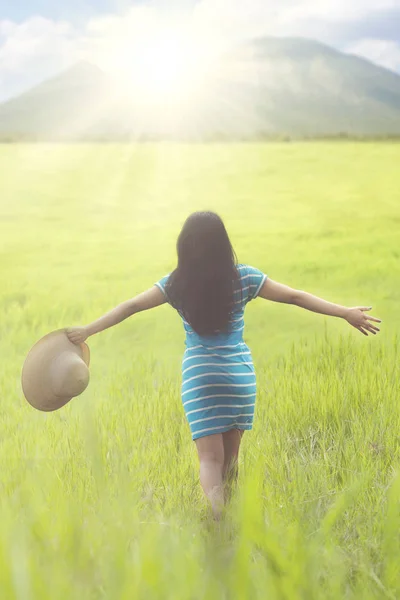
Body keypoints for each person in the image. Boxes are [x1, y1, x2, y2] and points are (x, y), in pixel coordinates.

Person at [66, 211, 381, 519]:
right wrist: (344, 312)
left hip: (200, 377)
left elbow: (131, 306)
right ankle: (232, 525)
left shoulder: (176, 284)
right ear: (223, 242)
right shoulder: (243, 277)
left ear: (184, 245)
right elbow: (295, 297)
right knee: (230, 463)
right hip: (238, 377)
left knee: (209, 461)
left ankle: (218, 520)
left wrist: (86, 331)